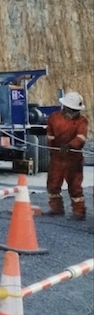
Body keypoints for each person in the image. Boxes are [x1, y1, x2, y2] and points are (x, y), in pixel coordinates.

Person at [45, 91, 88, 220]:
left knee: (75, 186)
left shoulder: (82, 121)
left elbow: (81, 137)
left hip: (74, 158)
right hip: (57, 157)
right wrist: (54, 148)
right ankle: (56, 209)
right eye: (73, 110)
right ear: (65, 107)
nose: (75, 113)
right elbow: (50, 136)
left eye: (76, 110)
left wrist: (70, 145)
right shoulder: (54, 117)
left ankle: (79, 212)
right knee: (53, 184)